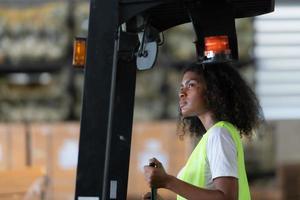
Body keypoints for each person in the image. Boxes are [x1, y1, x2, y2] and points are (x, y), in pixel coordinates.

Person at [143, 61, 263, 200]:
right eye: (181, 87)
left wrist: (168, 181)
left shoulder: (219, 135)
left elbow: (227, 198)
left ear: (213, 91)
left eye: (191, 85)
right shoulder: (211, 138)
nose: (181, 93)